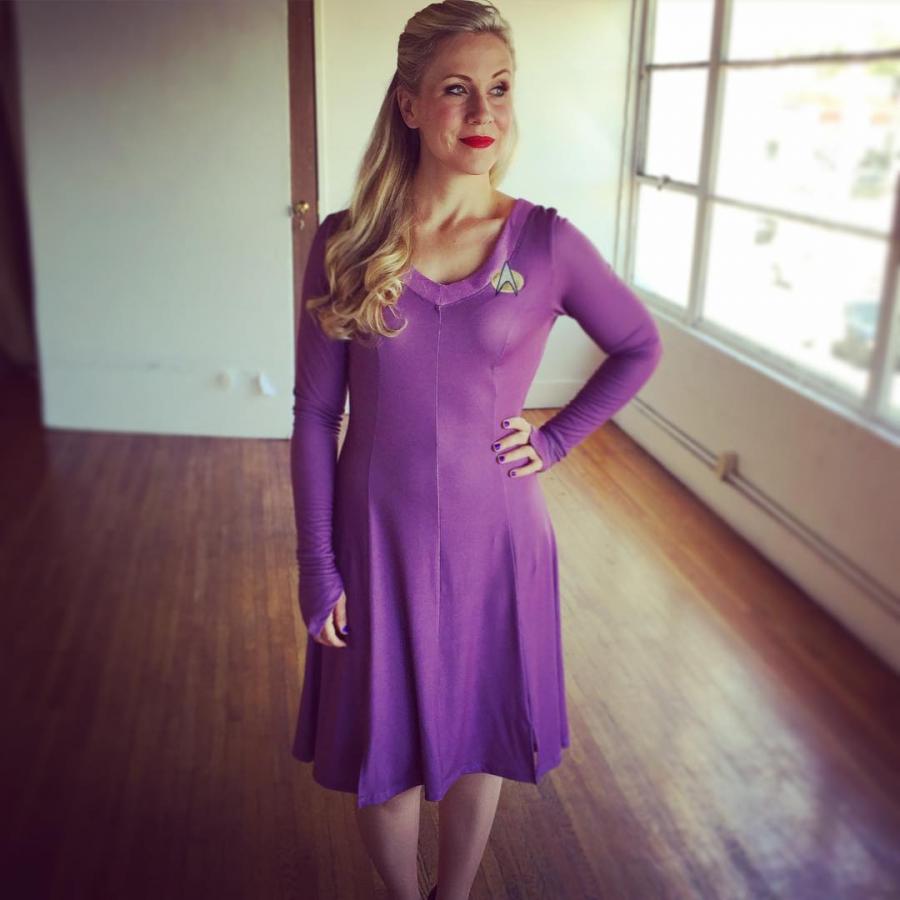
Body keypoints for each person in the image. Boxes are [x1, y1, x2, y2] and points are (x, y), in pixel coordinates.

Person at [289, 2, 663, 898]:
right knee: (383, 752)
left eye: (499, 88)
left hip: (498, 537)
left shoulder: (546, 241)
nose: (482, 111)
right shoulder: (347, 241)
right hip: (376, 538)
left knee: (479, 735)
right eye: (456, 89)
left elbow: (638, 345)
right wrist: (317, 565)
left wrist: (557, 437)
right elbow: (314, 413)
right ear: (411, 104)